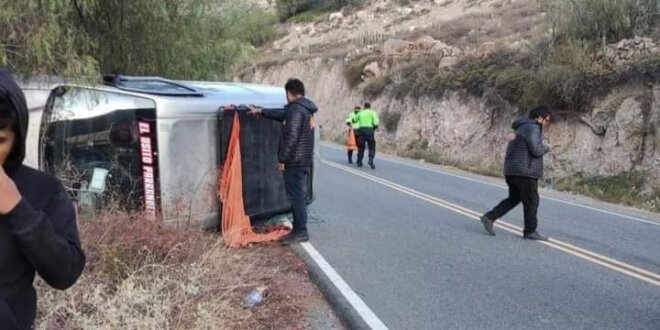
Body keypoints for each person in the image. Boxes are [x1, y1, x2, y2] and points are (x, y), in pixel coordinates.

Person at [0, 69, 86, 329]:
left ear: (15, 141)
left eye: (0, 140)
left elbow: (65, 272)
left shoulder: (41, 189)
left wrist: (17, 208)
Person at [248, 79, 318, 244]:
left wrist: (282, 159)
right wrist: (261, 111)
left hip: (294, 161)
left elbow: (291, 136)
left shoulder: (296, 110)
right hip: (303, 160)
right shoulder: (304, 109)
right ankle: (299, 229)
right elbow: (282, 115)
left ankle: (301, 231)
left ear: (289, 93)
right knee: (298, 196)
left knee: (296, 198)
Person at [480, 105, 552, 241]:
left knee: (514, 198)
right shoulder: (532, 128)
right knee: (531, 201)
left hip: (513, 171)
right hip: (525, 172)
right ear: (539, 118)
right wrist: (547, 148)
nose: (546, 123)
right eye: (546, 120)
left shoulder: (521, 128)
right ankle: (530, 231)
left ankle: (489, 217)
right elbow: (536, 150)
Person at [355, 102, 379, 169]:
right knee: (372, 146)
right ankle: (370, 160)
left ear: (364, 107)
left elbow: (355, 120)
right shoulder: (372, 112)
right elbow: (376, 123)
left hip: (361, 130)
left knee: (361, 147)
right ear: (370, 106)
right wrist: (373, 129)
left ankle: (359, 161)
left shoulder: (360, 113)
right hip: (369, 131)